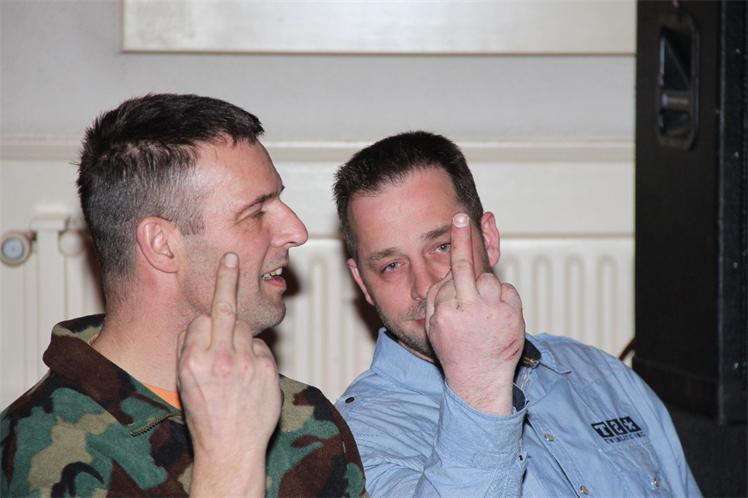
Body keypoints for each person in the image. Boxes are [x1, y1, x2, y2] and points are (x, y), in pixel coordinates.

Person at [1, 94, 365, 497]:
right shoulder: (43, 452)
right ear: (162, 244)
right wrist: (231, 458)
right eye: (256, 212)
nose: (296, 231)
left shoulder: (302, 415)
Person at [333, 131, 700, 497]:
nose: (424, 286)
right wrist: (478, 385)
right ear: (363, 283)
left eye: (442, 246)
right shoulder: (355, 442)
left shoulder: (601, 376)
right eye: (392, 266)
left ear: (489, 239)